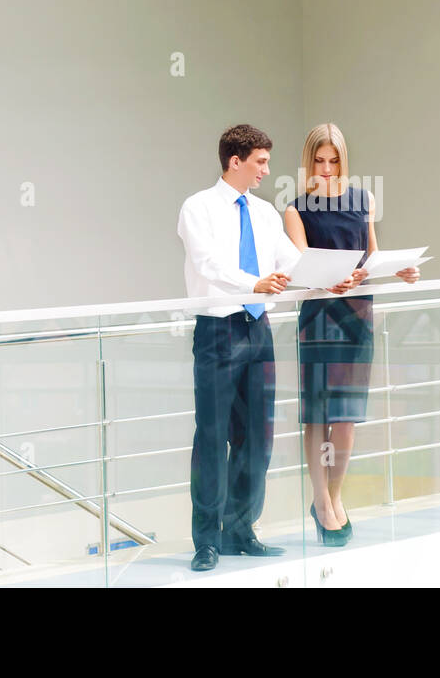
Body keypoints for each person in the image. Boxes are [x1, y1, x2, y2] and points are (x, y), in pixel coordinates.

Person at [283, 123, 419, 547]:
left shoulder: (364, 199)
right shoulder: (295, 209)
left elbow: (371, 252)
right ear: (309, 162)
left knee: (347, 418)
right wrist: (327, 283)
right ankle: (322, 501)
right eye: (319, 161)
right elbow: (301, 266)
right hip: (319, 315)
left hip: (358, 313)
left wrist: (399, 268)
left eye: (334, 160)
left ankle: (334, 496)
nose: (326, 168)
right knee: (318, 415)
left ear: (343, 159)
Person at [177, 124, 302, 572]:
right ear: (236, 160)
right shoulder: (198, 207)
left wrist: (335, 276)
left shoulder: (266, 212)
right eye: (261, 162)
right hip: (217, 331)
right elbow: (207, 262)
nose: (267, 170)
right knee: (212, 438)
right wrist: (252, 283)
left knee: (257, 438)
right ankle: (206, 540)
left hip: (257, 328)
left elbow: (290, 261)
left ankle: (240, 530)